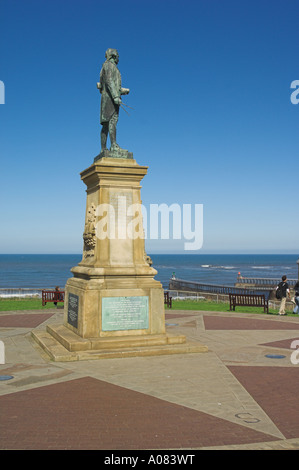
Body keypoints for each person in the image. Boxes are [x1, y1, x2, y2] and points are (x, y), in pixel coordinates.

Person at [97, 48, 129, 152]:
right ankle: (113, 145)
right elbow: (109, 81)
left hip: (108, 97)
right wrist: (115, 96)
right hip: (110, 98)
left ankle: (103, 149)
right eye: (118, 56)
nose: (119, 58)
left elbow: (105, 84)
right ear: (114, 56)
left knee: (107, 123)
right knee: (112, 121)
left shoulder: (106, 66)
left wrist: (122, 91)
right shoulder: (109, 65)